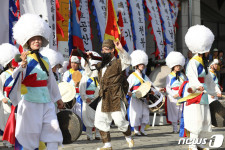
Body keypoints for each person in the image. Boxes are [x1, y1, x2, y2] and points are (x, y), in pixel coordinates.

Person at [11, 13, 63, 150]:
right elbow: (15, 77)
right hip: (29, 101)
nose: (37, 41)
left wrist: (58, 99)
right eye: (33, 39)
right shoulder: (23, 59)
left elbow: (51, 81)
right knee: (30, 135)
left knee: (54, 131)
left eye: (39, 38)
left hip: (46, 101)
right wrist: (21, 66)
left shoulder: (46, 60)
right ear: (28, 41)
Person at [84, 39, 133, 150]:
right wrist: (87, 61)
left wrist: (121, 49)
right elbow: (90, 72)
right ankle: (107, 145)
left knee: (119, 121)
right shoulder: (101, 65)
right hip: (104, 96)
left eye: (106, 49)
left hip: (115, 96)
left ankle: (129, 137)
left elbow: (128, 61)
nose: (104, 51)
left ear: (112, 51)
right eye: (103, 49)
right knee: (100, 120)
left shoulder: (118, 62)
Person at [183, 25, 221, 150]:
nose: (209, 52)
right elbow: (191, 77)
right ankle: (192, 144)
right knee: (196, 119)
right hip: (195, 92)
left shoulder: (203, 62)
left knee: (205, 119)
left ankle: (200, 143)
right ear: (203, 49)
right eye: (208, 49)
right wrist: (199, 86)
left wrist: (216, 91)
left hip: (203, 93)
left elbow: (209, 79)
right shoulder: (193, 61)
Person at [127, 50, 151, 136]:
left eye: (143, 64)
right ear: (136, 65)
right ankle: (136, 130)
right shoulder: (132, 76)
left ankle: (143, 129)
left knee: (145, 113)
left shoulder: (145, 76)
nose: (142, 66)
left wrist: (158, 90)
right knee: (136, 114)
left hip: (144, 98)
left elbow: (150, 85)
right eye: (141, 64)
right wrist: (129, 93)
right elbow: (127, 87)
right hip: (135, 97)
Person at [0, 43, 19, 148]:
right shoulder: (3, 74)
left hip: (16, 100)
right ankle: (6, 140)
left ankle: (14, 140)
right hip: (6, 100)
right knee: (7, 120)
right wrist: (3, 98)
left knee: (15, 120)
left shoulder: (18, 73)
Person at [79, 51, 101, 141]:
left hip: (97, 100)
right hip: (88, 100)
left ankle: (98, 134)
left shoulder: (99, 77)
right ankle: (89, 135)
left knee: (98, 117)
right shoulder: (84, 77)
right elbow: (81, 89)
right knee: (88, 118)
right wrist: (86, 98)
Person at [165, 51, 186, 133]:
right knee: (174, 111)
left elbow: (185, 84)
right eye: (176, 66)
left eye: (179, 66)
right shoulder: (169, 76)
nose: (178, 67)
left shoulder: (182, 76)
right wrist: (173, 94)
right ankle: (174, 128)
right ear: (173, 66)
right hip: (173, 95)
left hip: (181, 95)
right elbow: (167, 87)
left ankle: (182, 128)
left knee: (181, 111)